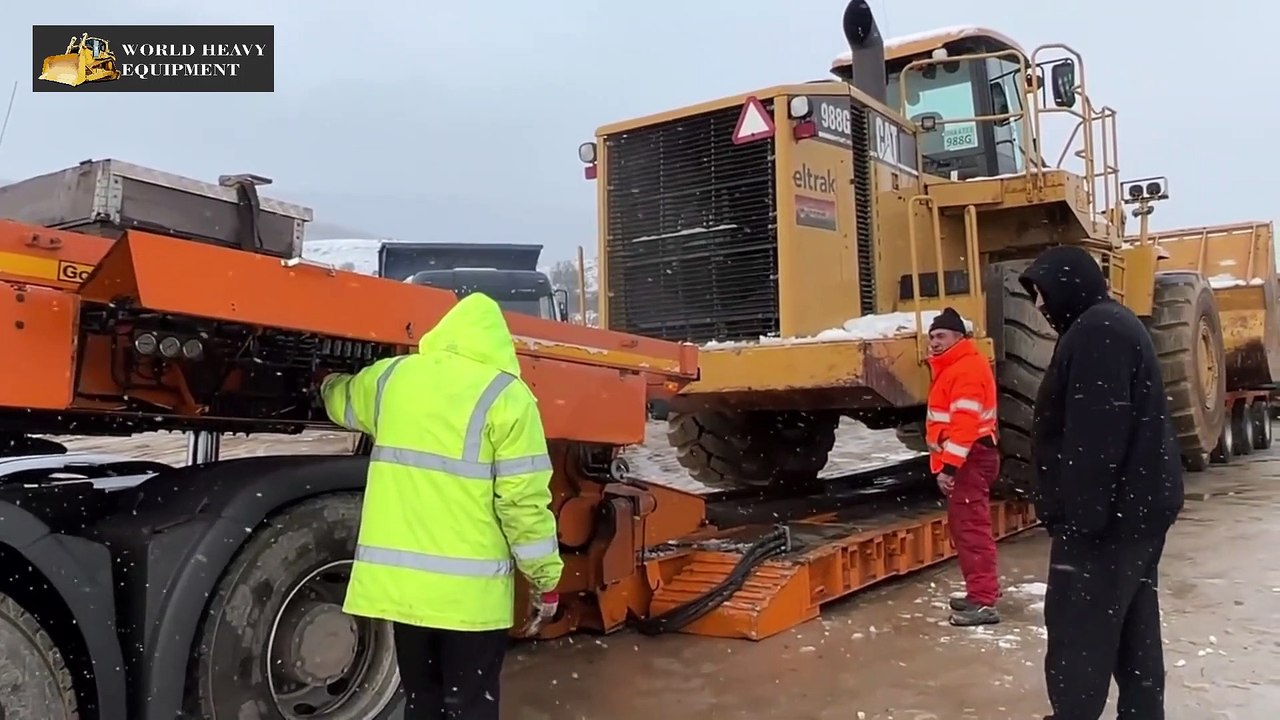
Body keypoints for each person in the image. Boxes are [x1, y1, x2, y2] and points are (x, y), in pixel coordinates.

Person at [318, 292, 564, 720]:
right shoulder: (508, 397)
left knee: (421, 700)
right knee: (469, 706)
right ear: (498, 341)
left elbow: (342, 400)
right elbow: (522, 505)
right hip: (471, 601)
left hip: (406, 594)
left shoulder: (393, 378)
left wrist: (325, 382)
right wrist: (545, 579)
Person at [1019, 246, 1184, 720]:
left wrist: (1082, 521)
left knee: (1079, 633)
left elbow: (1096, 436)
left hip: (1106, 521)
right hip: (1134, 512)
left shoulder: (1096, 332)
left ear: (1069, 286)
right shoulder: (1112, 324)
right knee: (1133, 628)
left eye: (1043, 294)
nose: (1040, 306)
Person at [924, 307, 1002, 627]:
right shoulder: (958, 367)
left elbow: (964, 426)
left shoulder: (964, 370)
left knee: (971, 532)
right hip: (971, 458)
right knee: (968, 530)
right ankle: (980, 594)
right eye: (931, 337)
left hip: (969, 460)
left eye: (941, 336)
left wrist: (950, 469)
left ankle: (983, 602)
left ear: (959, 337)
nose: (934, 342)